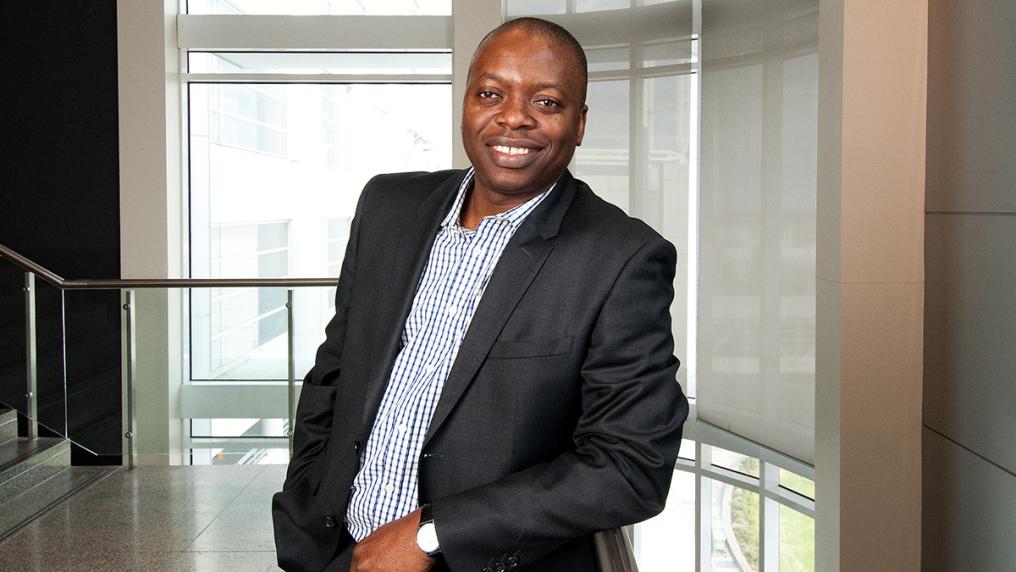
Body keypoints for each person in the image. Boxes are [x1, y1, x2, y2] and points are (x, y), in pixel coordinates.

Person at [272, 17, 689, 572]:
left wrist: (431, 534)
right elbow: (336, 370)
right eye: (491, 94)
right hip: (336, 551)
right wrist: (305, 499)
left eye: (546, 102)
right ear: (466, 103)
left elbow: (630, 465)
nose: (513, 117)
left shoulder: (622, 259)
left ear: (580, 123)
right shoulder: (386, 206)